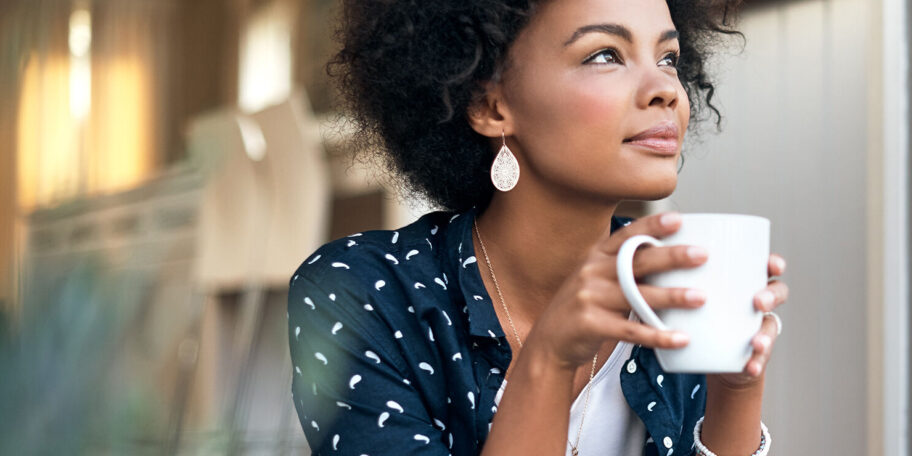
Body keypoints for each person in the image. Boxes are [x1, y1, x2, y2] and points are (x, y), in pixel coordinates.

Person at [285, 0, 789, 454]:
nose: (665, 91)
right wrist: (549, 357)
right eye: (605, 55)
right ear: (490, 106)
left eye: (669, 59)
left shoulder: (669, 289)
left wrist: (736, 393)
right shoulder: (362, 292)